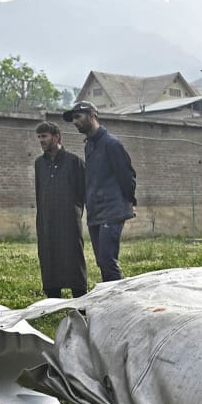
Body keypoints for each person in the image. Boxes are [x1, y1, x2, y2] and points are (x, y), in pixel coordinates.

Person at [64, 100, 136, 282]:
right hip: (95, 212)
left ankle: (118, 305)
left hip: (112, 211)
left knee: (108, 261)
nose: (74, 121)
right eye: (73, 118)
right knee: (101, 262)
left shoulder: (111, 144)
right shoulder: (89, 145)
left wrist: (127, 202)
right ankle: (110, 303)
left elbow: (127, 176)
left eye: (78, 117)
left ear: (92, 116)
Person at [32, 121, 87, 299]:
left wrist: (74, 215)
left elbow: (83, 193)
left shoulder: (74, 162)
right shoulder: (39, 164)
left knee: (73, 258)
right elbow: (39, 192)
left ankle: (79, 300)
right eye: (39, 137)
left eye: (44, 136)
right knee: (49, 257)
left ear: (56, 137)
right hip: (47, 221)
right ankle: (53, 300)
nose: (41, 140)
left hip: (69, 221)